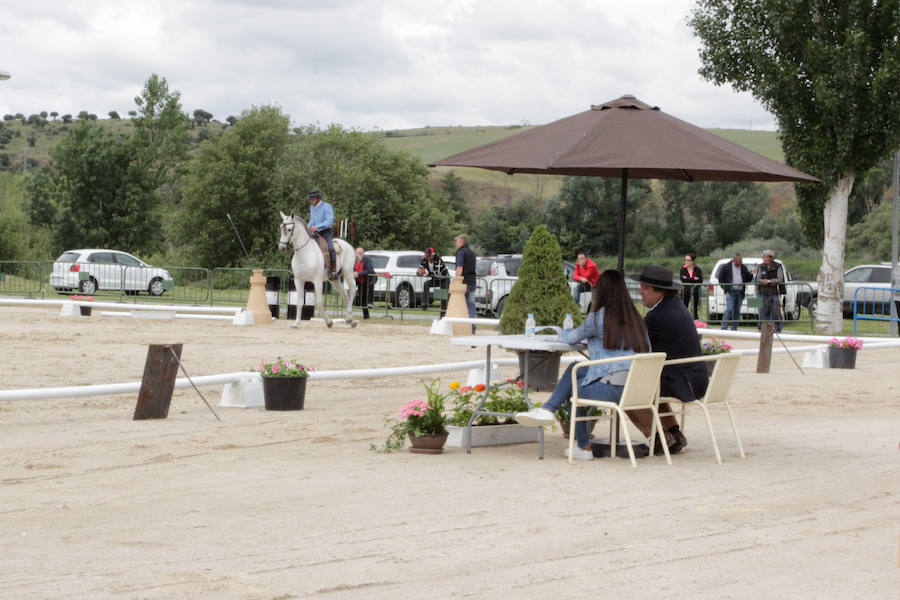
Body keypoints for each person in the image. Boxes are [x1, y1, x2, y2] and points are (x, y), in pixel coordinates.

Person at [514, 270, 651, 460]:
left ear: (601, 292)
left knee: (574, 390)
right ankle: (548, 408)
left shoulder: (598, 318)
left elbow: (571, 338)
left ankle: (582, 445)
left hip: (613, 387)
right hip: (638, 388)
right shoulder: (637, 319)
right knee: (574, 370)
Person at [629, 265, 709, 454]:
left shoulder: (657, 316)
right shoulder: (676, 306)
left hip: (683, 381)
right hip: (694, 378)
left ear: (659, 292)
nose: (640, 292)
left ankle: (658, 437)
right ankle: (674, 433)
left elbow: (636, 347)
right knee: (651, 381)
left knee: (629, 389)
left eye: (644, 288)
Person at [716, 252, 752, 330]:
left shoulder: (743, 267)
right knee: (729, 308)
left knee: (737, 310)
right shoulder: (726, 266)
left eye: (741, 260)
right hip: (730, 291)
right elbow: (721, 278)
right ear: (734, 260)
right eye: (739, 260)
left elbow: (748, 279)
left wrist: (750, 274)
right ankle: (724, 327)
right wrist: (725, 288)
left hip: (740, 291)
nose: (741, 262)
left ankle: (734, 327)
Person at [307, 190, 337, 279]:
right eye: (310, 199)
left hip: (325, 232)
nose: (311, 200)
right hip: (314, 233)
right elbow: (312, 221)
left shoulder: (327, 206)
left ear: (318, 198)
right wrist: (307, 227)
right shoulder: (312, 208)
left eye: (313, 198)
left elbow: (329, 221)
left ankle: (333, 270)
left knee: (331, 248)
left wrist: (317, 227)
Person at [756, 249, 785, 333]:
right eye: (763, 257)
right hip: (763, 293)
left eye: (765, 257)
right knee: (764, 311)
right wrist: (763, 281)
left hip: (774, 292)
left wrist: (769, 281)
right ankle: (765, 329)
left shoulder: (778, 266)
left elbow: (780, 279)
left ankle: (777, 328)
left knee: (775, 311)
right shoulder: (761, 266)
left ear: (771, 258)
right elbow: (758, 279)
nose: (764, 259)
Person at [417, 247, 450, 316]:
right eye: (426, 255)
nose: (427, 257)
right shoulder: (424, 260)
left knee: (442, 296)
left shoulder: (438, 260)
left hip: (444, 279)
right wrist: (419, 273)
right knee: (426, 284)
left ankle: (443, 313)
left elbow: (436, 274)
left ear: (433, 254)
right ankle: (424, 304)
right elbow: (419, 270)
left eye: (429, 255)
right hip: (436, 279)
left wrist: (425, 273)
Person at [455, 234, 477, 333]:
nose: (456, 243)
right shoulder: (472, 253)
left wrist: (457, 280)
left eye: (457, 241)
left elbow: (460, 267)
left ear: (461, 242)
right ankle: (472, 325)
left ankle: (460, 326)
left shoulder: (460, 252)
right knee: (471, 304)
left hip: (463, 282)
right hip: (472, 281)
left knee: (459, 304)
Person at [680, 252, 703, 320]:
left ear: (693, 261)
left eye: (688, 260)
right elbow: (682, 279)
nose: (686, 262)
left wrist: (687, 279)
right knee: (684, 306)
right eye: (685, 260)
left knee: (695, 307)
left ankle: (695, 320)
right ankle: (683, 320)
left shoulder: (698, 269)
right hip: (685, 291)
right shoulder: (682, 269)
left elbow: (700, 280)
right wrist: (693, 279)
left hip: (695, 291)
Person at [354, 247, 375, 320]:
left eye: (360, 253)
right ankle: (366, 316)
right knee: (362, 298)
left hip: (368, 280)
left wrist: (358, 273)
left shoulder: (367, 259)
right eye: (357, 253)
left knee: (366, 295)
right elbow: (353, 269)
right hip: (359, 281)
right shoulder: (354, 260)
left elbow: (369, 270)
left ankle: (370, 304)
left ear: (363, 253)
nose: (358, 255)